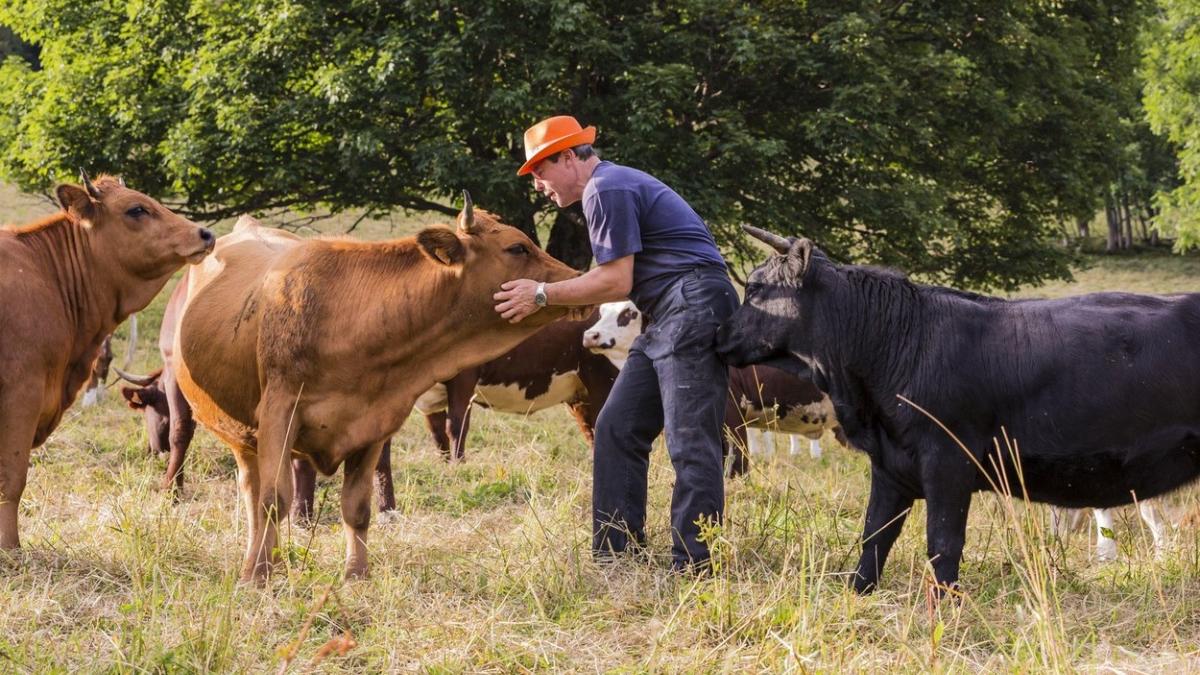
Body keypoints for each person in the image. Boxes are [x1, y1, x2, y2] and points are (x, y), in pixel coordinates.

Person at [494, 115, 739, 571]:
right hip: (668, 311)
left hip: (692, 304)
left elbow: (614, 280)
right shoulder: (610, 187)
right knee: (617, 426)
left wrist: (541, 295)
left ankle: (698, 566)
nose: (539, 186)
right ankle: (616, 560)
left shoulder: (605, 189)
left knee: (689, 438)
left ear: (568, 157)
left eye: (540, 172)